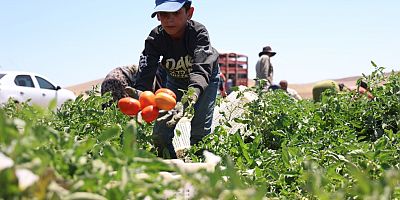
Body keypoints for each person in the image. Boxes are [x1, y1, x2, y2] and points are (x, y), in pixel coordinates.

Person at [131, 0, 220, 159]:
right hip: (175, 81)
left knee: (200, 132)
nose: (169, 19)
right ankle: (170, 166)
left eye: (176, 13)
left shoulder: (198, 33)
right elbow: (146, 69)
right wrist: (140, 93)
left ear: (189, 13)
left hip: (204, 81)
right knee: (160, 134)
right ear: (158, 16)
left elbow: (202, 68)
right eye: (164, 14)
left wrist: (191, 95)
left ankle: (203, 168)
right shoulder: (155, 38)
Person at [101, 64, 166, 103]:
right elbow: (146, 95)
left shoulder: (150, 70)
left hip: (110, 80)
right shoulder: (152, 75)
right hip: (118, 80)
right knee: (124, 111)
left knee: (111, 112)